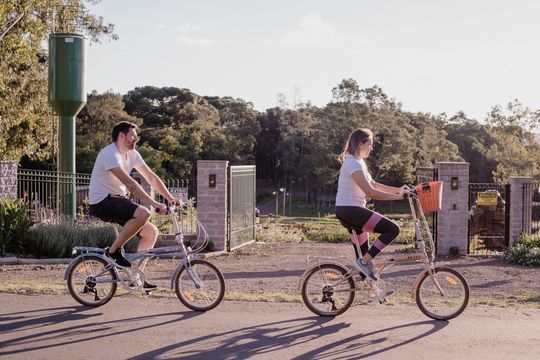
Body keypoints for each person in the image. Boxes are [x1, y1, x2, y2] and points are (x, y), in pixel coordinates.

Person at [88, 121, 181, 291]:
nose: (136, 139)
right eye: (133, 135)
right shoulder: (110, 154)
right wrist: (154, 203)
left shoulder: (132, 154)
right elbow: (130, 184)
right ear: (121, 136)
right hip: (102, 202)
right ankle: (113, 251)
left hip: (116, 199)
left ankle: (136, 278)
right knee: (144, 213)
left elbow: (151, 178)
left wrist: (170, 198)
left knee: (151, 232)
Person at [335, 128, 410, 281]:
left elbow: (374, 184)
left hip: (350, 211)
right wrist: (398, 197)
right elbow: (371, 192)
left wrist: (399, 190)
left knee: (364, 258)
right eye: (370, 144)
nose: (372, 147)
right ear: (361, 144)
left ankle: (365, 286)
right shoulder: (353, 164)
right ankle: (363, 262)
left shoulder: (359, 162)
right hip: (351, 211)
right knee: (392, 229)